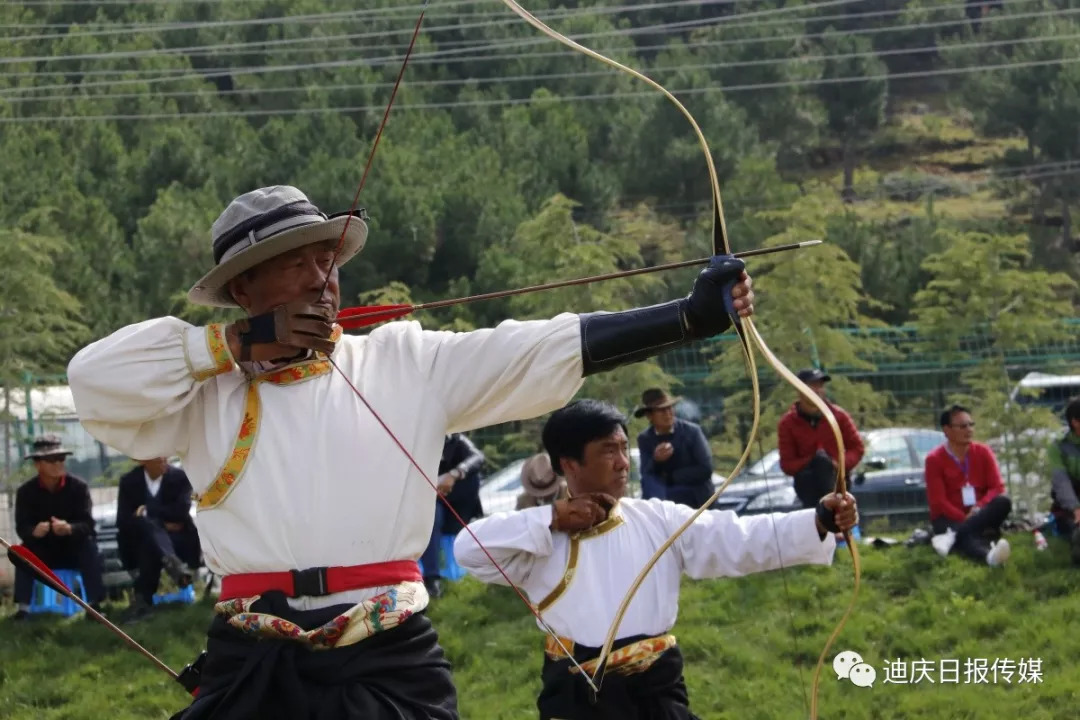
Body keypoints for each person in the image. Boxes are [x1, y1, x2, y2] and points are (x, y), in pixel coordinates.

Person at [65, 185, 756, 719]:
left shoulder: (403, 360)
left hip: (386, 656)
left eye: (326, 259)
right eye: (295, 264)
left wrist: (687, 318)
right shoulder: (201, 391)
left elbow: (536, 346)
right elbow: (92, 381)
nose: (321, 279)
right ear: (243, 289)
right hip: (255, 658)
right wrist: (229, 347)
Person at [455, 400, 857, 720]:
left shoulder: (658, 518)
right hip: (583, 700)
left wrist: (820, 519)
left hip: (659, 693)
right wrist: (555, 517)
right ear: (569, 463)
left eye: (622, 448)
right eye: (606, 451)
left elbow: (739, 537)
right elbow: (469, 547)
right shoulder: (541, 536)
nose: (622, 461)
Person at [12, 435, 106, 621]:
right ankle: (23, 609)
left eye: (61, 459)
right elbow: (22, 527)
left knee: (88, 545)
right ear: (38, 465)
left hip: (72, 549)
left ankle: (95, 605)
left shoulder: (78, 487)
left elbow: (88, 525)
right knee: (20, 552)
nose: (58, 464)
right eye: (50, 460)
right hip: (43, 552)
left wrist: (69, 528)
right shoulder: (25, 492)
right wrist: (34, 531)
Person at [924, 405, 1012, 566]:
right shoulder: (934, 459)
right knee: (966, 533)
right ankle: (988, 556)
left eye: (971, 425)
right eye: (963, 426)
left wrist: (978, 508)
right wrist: (962, 517)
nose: (969, 430)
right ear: (947, 430)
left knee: (1003, 501)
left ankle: (952, 537)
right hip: (949, 517)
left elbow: (997, 487)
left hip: (980, 512)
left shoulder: (983, 451)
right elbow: (938, 501)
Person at [116, 457, 202, 621]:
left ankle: (142, 600)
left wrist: (147, 511)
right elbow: (123, 520)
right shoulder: (129, 481)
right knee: (149, 537)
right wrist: (161, 523)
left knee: (149, 538)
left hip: (178, 541)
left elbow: (181, 512)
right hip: (140, 542)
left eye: (165, 457)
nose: (164, 460)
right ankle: (172, 565)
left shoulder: (180, 478)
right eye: (158, 457)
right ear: (143, 460)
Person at [777, 368, 865, 509]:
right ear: (799, 389)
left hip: (837, 481)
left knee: (825, 465)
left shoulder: (839, 416)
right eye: (812, 385)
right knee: (819, 463)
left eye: (820, 385)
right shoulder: (787, 423)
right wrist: (812, 461)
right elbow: (787, 464)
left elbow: (857, 448)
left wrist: (838, 463)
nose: (817, 390)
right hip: (808, 484)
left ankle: (835, 513)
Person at [422, 433, 485, 598]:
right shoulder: (417, 441)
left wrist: (455, 474)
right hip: (426, 499)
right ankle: (432, 579)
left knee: (473, 478)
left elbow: (477, 457)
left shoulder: (456, 441)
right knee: (432, 518)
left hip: (457, 504)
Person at [634, 389, 714, 506]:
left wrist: (671, 477)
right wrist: (656, 460)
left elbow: (705, 469)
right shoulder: (645, 438)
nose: (668, 413)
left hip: (696, 499)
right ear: (649, 416)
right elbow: (646, 473)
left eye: (670, 408)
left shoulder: (692, 432)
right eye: (662, 410)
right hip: (665, 500)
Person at [1046, 397, 1080, 564]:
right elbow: (1061, 482)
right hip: (1070, 503)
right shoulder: (1059, 446)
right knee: (1073, 526)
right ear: (1075, 422)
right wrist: (1076, 509)